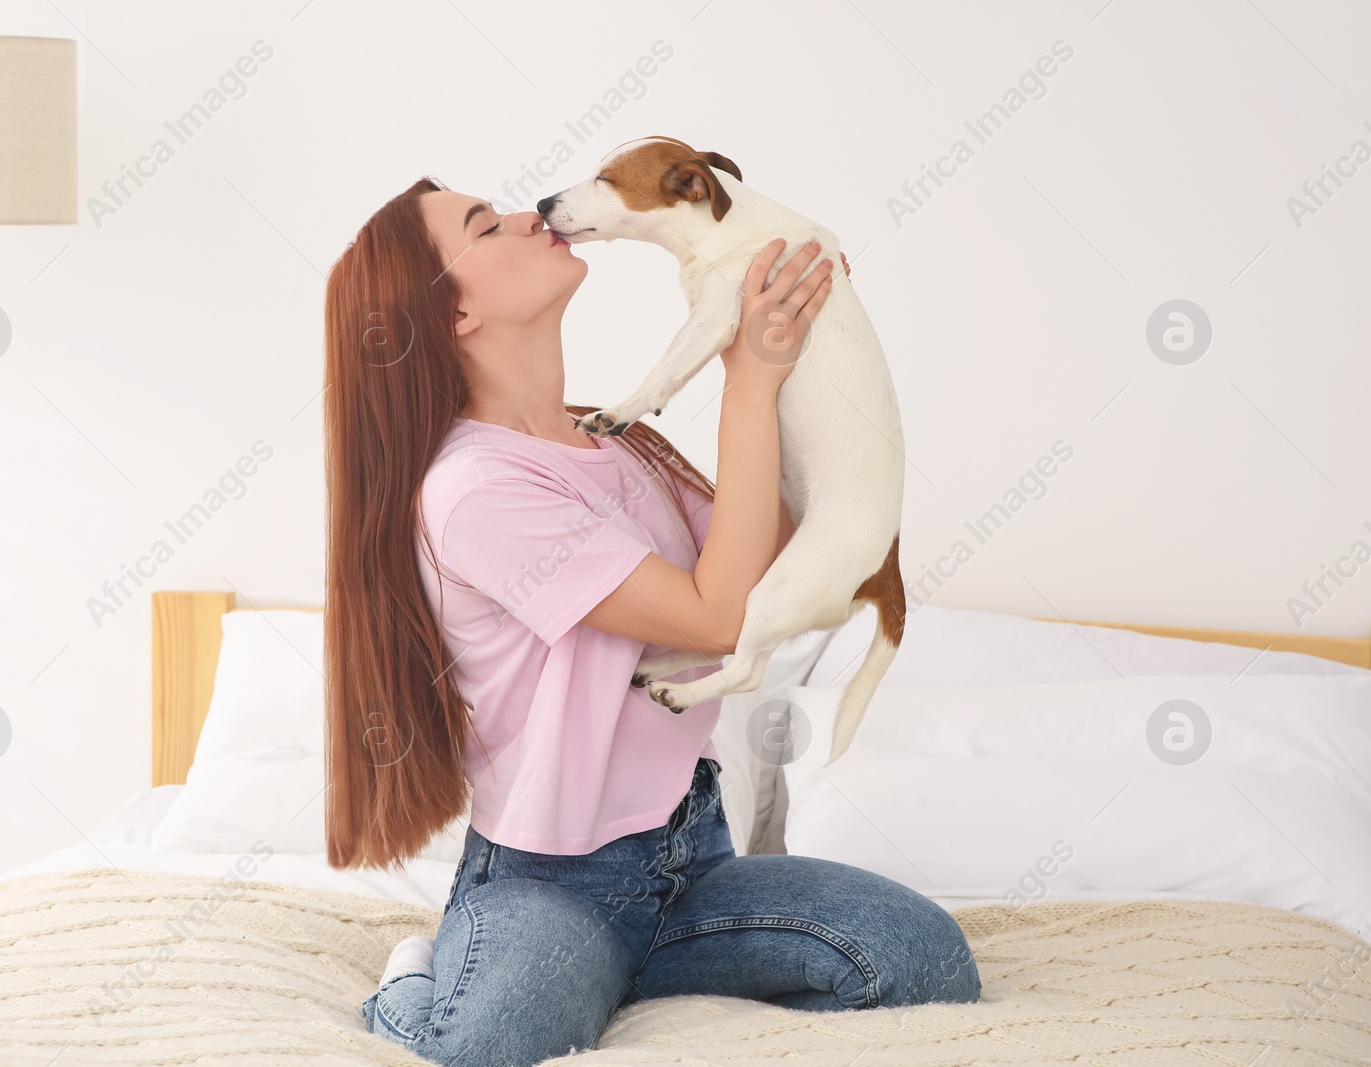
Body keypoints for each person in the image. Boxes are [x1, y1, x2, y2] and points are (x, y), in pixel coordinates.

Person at [321, 175, 981, 1067]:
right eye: (486, 227)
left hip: (691, 855)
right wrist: (745, 384)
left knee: (920, 958)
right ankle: (416, 981)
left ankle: (624, 970)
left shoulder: (618, 439)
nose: (527, 214)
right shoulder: (477, 488)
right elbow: (716, 622)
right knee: (485, 1053)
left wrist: (802, 350)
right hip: (554, 883)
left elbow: (757, 575)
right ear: (454, 316)